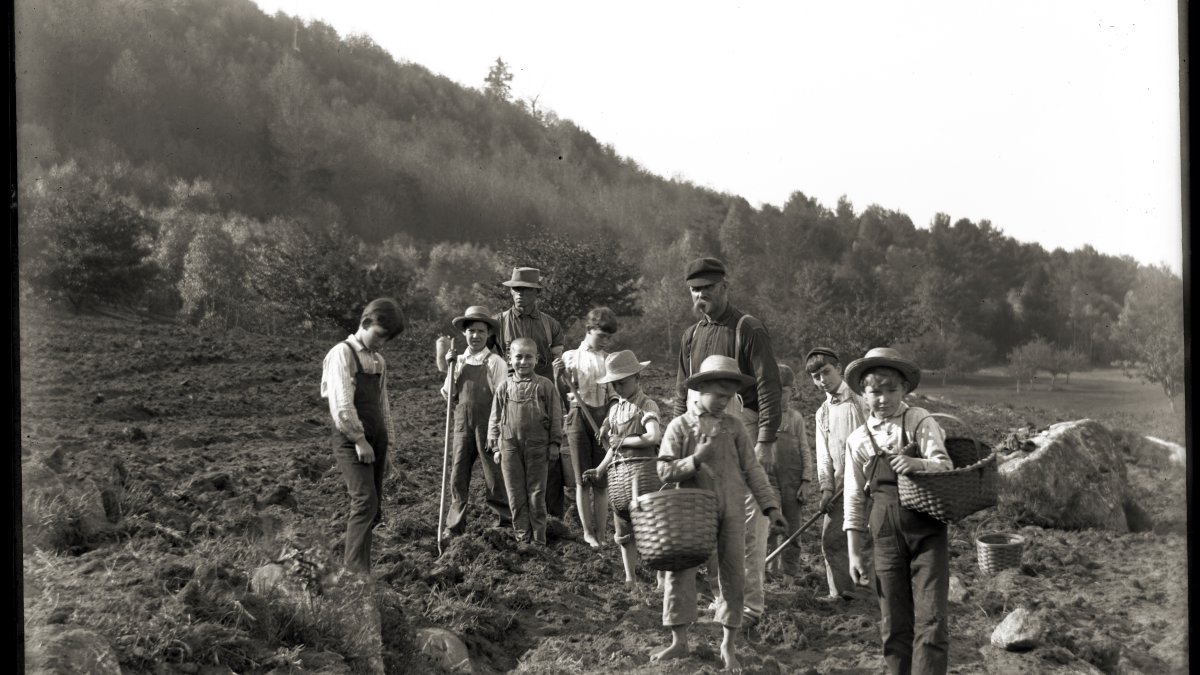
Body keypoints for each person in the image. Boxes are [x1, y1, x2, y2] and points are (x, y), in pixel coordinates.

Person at [653, 355, 787, 672]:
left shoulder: (735, 428)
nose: (723, 402)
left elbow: (753, 470)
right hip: (690, 512)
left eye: (729, 396)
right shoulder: (679, 427)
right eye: (718, 395)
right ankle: (679, 640)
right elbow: (662, 470)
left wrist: (770, 507)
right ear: (700, 389)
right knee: (680, 574)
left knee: (733, 575)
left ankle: (728, 645)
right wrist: (694, 461)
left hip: (732, 510)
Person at [673, 257, 782, 626]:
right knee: (710, 521)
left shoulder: (746, 328)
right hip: (701, 434)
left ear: (724, 288)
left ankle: (749, 605)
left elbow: (768, 386)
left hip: (743, 431)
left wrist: (766, 440)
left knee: (747, 525)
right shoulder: (690, 336)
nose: (701, 295)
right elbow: (680, 390)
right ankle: (722, 598)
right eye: (695, 290)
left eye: (708, 288)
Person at [843, 347, 953, 675]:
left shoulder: (918, 419)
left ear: (905, 389)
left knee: (932, 620)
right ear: (863, 395)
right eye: (875, 391)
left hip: (926, 531)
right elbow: (853, 498)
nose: (883, 399)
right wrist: (853, 553)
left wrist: (917, 462)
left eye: (891, 390)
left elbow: (943, 464)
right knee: (893, 622)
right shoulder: (858, 440)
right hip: (885, 536)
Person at [320, 298, 404, 573]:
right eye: (380, 335)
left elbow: (383, 405)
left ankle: (363, 570)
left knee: (374, 506)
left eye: (387, 339)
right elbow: (342, 403)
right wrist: (359, 439)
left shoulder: (378, 361)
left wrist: (386, 446)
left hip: (375, 439)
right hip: (352, 438)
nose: (381, 343)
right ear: (365, 323)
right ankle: (353, 572)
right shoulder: (342, 354)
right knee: (364, 500)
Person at [491, 267, 569, 519]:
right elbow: (489, 363)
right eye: (515, 289)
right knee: (507, 459)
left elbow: (558, 366)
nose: (519, 294)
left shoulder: (551, 325)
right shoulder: (498, 323)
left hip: (543, 399)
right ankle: (509, 518)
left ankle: (553, 516)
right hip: (509, 398)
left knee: (551, 457)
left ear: (536, 293)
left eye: (525, 289)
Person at [581, 350, 662, 587]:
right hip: (620, 481)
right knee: (624, 533)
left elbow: (653, 437)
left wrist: (623, 441)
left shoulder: (647, 405)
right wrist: (600, 469)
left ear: (637, 377)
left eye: (623, 382)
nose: (618, 387)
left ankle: (661, 581)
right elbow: (614, 449)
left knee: (652, 531)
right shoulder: (615, 409)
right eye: (614, 383)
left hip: (644, 477)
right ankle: (630, 579)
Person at [439, 305, 511, 538]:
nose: (476, 336)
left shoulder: (495, 362)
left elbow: (502, 398)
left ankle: (504, 521)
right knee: (458, 473)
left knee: (493, 473)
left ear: (488, 333)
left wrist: (497, 429)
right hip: (462, 424)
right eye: (471, 331)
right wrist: (451, 368)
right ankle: (454, 525)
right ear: (464, 334)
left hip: (488, 423)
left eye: (481, 331)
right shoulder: (457, 361)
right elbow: (449, 394)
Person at [806, 346, 869, 601]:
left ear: (839, 368)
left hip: (869, 482)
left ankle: (873, 595)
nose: (822, 380)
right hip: (841, 487)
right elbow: (824, 455)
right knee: (831, 540)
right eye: (815, 376)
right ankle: (841, 593)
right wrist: (826, 489)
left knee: (869, 540)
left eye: (826, 372)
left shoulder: (860, 399)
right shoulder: (822, 412)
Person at [487, 337, 563, 545]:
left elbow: (556, 415)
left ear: (536, 359)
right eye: (518, 357)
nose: (523, 362)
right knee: (515, 493)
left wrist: (555, 443)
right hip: (509, 446)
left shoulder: (545, 386)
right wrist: (495, 445)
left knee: (537, 493)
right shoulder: (504, 387)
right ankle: (522, 537)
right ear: (509, 359)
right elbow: (495, 416)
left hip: (538, 446)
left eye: (528, 357)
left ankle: (539, 539)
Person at [554, 307, 619, 548]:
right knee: (583, 479)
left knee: (601, 480)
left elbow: (614, 395)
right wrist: (557, 376)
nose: (605, 341)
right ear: (589, 330)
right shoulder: (570, 358)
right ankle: (588, 533)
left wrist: (608, 419)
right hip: (577, 417)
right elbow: (561, 396)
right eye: (602, 335)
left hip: (603, 418)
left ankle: (601, 533)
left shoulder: (609, 360)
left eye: (608, 337)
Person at [765, 363, 816, 578]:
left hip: (793, 481)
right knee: (769, 526)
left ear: (791, 392)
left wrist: (806, 481)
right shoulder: (764, 418)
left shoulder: (795, 418)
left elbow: (805, 449)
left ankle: (789, 575)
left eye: (783, 392)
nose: (779, 397)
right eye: (774, 392)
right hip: (770, 480)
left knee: (793, 529)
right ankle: (767, 571)